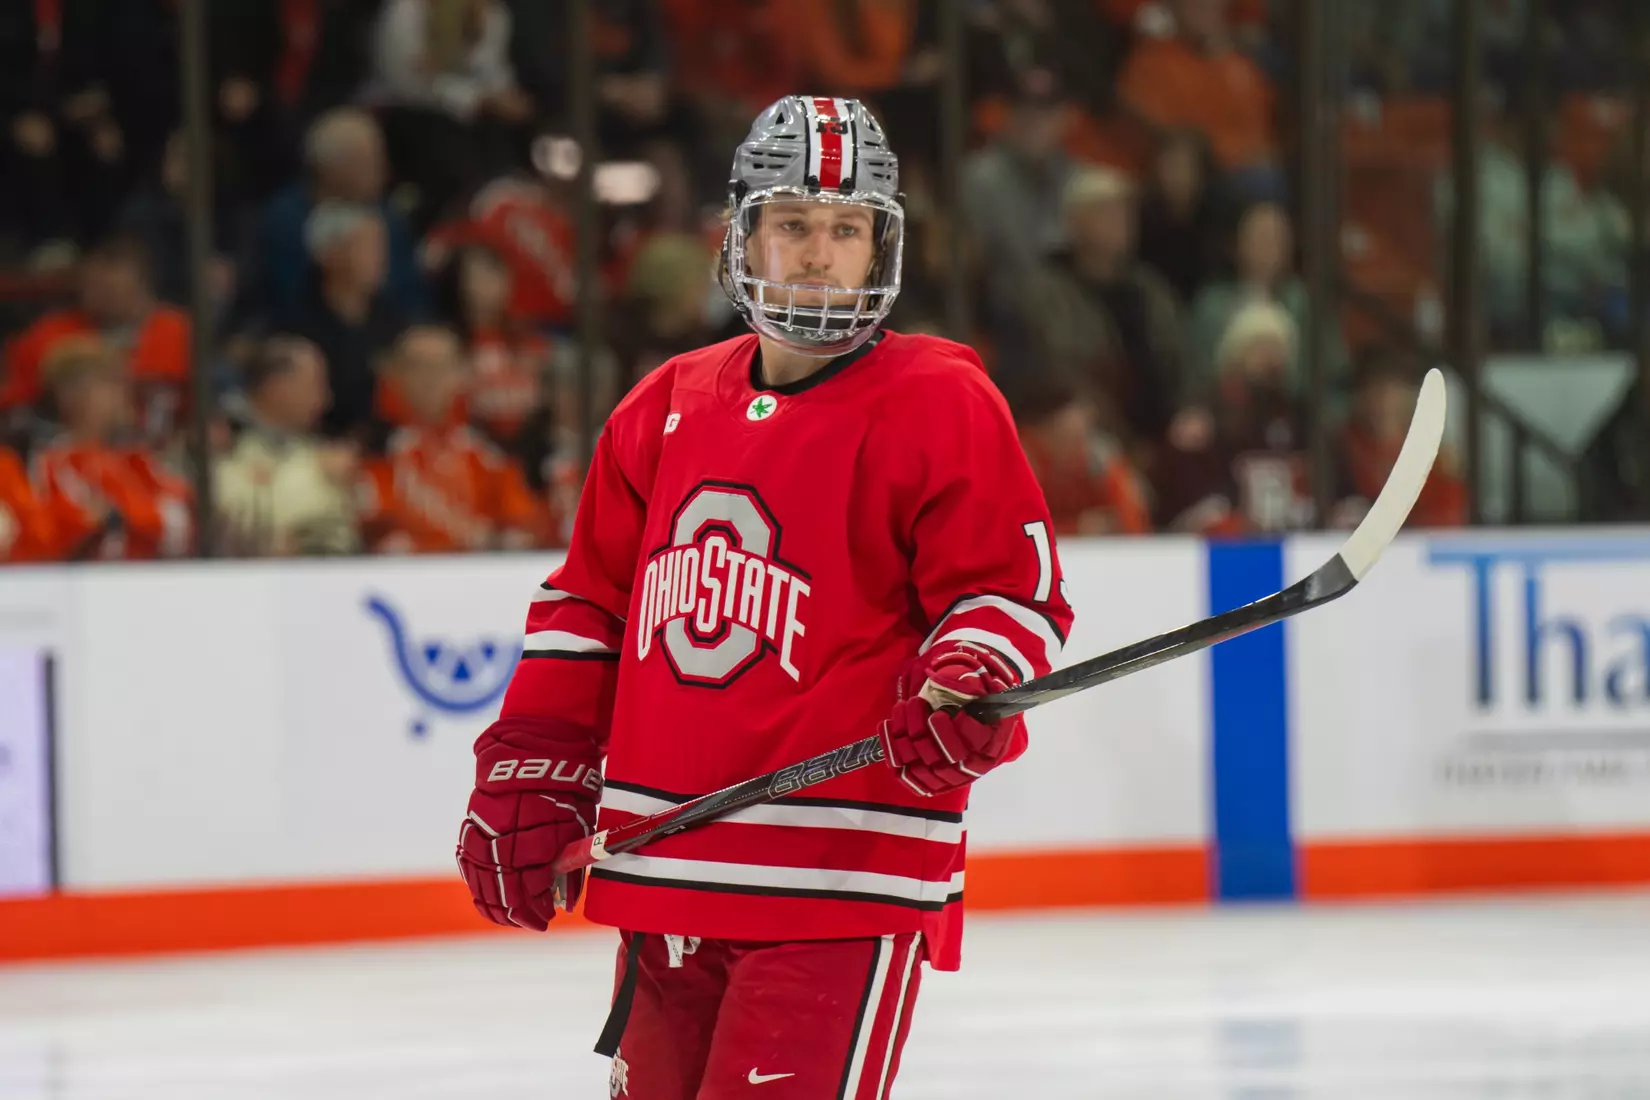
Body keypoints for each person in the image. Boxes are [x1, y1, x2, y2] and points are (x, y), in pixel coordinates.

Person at [453, 95, 1074, 1099]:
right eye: (793, 224)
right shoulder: (664, 404)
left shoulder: (937, 399)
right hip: (668, 872)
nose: (820, 253)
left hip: (837, 878)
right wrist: (534, 763)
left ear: (881, 245)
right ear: (742, 233)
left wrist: (970, 677)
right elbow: (588, 605)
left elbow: (1011, 591)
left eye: (845, 228)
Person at [358, 325, 549, 553]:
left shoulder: (486, 451)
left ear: (461, 374)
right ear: (396, 375)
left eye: (440, 367)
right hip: (403, 577)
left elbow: (523, 521)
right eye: (417, 367)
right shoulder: (374, 449)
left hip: (473, 578)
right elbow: (373, 526)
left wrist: (499, 541)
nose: (429, 378)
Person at [215, 336, 362, 557]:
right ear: (277, 387)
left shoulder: (325, 457)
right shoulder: (217, 443)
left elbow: (342, 537)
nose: (326, 399)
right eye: (316, 385)